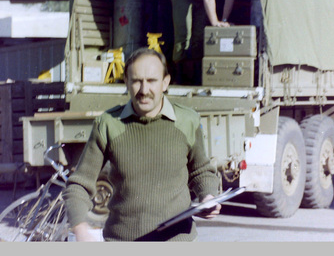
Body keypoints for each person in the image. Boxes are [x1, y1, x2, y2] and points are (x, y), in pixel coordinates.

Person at [63, 49, 222, 241]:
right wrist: (80, 228)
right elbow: (79, 185)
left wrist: (208, 197)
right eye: (137, 81)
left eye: (152, 81)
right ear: (126, 82)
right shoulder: (108, 124)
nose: (144, 90)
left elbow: (201, 170)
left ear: (165, 82)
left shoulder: (187, 121)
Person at [170, 0, 245, 84]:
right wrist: (215, 22)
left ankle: (197, 76)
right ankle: (179, 76)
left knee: (200, 36)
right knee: (184, 34)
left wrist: (224, 21)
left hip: (200, 1)